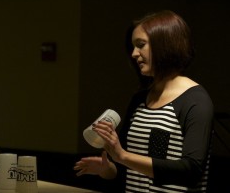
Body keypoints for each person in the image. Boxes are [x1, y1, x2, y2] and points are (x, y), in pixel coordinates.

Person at [74, 10, 214, 192]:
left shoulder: (195, 101)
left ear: (165, 44)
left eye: (141, 45)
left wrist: (122, 156)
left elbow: (191, 170)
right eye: (133, 46)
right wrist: (109, 169)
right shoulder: (140, 99)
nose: (133, 54)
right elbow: (129, 166)